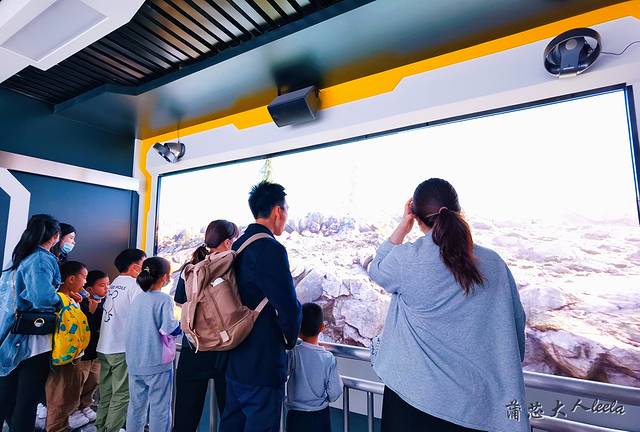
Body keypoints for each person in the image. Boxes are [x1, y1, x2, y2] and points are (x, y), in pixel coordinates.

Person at [368, 178, 528, 432]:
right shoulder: (494, 263)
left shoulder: (407, 259)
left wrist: (403, 226)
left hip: (413, 400)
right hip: (476, 405)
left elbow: (376, 269)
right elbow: (515, 325)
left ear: (416, 216)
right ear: (459, 212)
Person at [219, 181, 302, 432]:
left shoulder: (238, 245)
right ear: (277, 210)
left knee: (232, 424)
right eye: (286, 210)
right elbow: (288, 307)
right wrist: (289, 340)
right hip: (263, 362)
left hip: (235, 356)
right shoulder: (270, 249)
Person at [173, 220, 239, 432]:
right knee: (230, 415)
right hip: (225, 348)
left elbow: (180, 299)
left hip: (194, 347)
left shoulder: (191, 267)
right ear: (228, 242)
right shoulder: (234, 264)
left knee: (185, 416)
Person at [0, 215, 63, 432]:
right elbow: (42, 297)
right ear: (55, 236)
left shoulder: (19, 257)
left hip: (9, 335)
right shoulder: (42, 258)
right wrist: (63, 302)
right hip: (33, 340)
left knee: (7, 395)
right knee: (27, 400)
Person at [125, 257, 181, 432]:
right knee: (160, 408)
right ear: (165, 277)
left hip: (135, 362)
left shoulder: (138, 299)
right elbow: (170, 328)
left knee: (136, 407)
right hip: (157, 363)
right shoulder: (164, 299)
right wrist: (183, 326)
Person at [95, 248, 146, 432]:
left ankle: (101, 427)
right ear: (134, 267)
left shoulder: (115, 283)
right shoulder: (135, 286)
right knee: (122, 395)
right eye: (144, 265)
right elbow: (141, 318)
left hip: (104, 347)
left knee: (106, 394)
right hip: (121, 348)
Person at [45, 261, 89, 432]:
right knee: (59, 400)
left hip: (73, 357)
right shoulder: (57, 300)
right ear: (71, 279)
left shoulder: (70, 299)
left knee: (68, 399)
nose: (85, 282)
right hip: (62, 359)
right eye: (84, 277)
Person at [285, 303, 342, 432]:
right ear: (322, 327)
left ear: (298, 330)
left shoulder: (294, 353)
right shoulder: (328, 358)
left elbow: (283, 373)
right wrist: (328, 398)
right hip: (319, 416)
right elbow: (335, 392)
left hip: (296, 415)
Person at [68, 270, 109, 427]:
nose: (106, 289)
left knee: (93, 381)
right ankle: (71, 411)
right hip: (83, 354)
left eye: (108, 285)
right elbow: (83, 327)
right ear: (90, 289)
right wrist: (91, 312)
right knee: (78, 382)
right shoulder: (81, 303)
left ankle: (84, 405)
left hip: (96, 352)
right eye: (102, 285)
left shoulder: (106, 303)